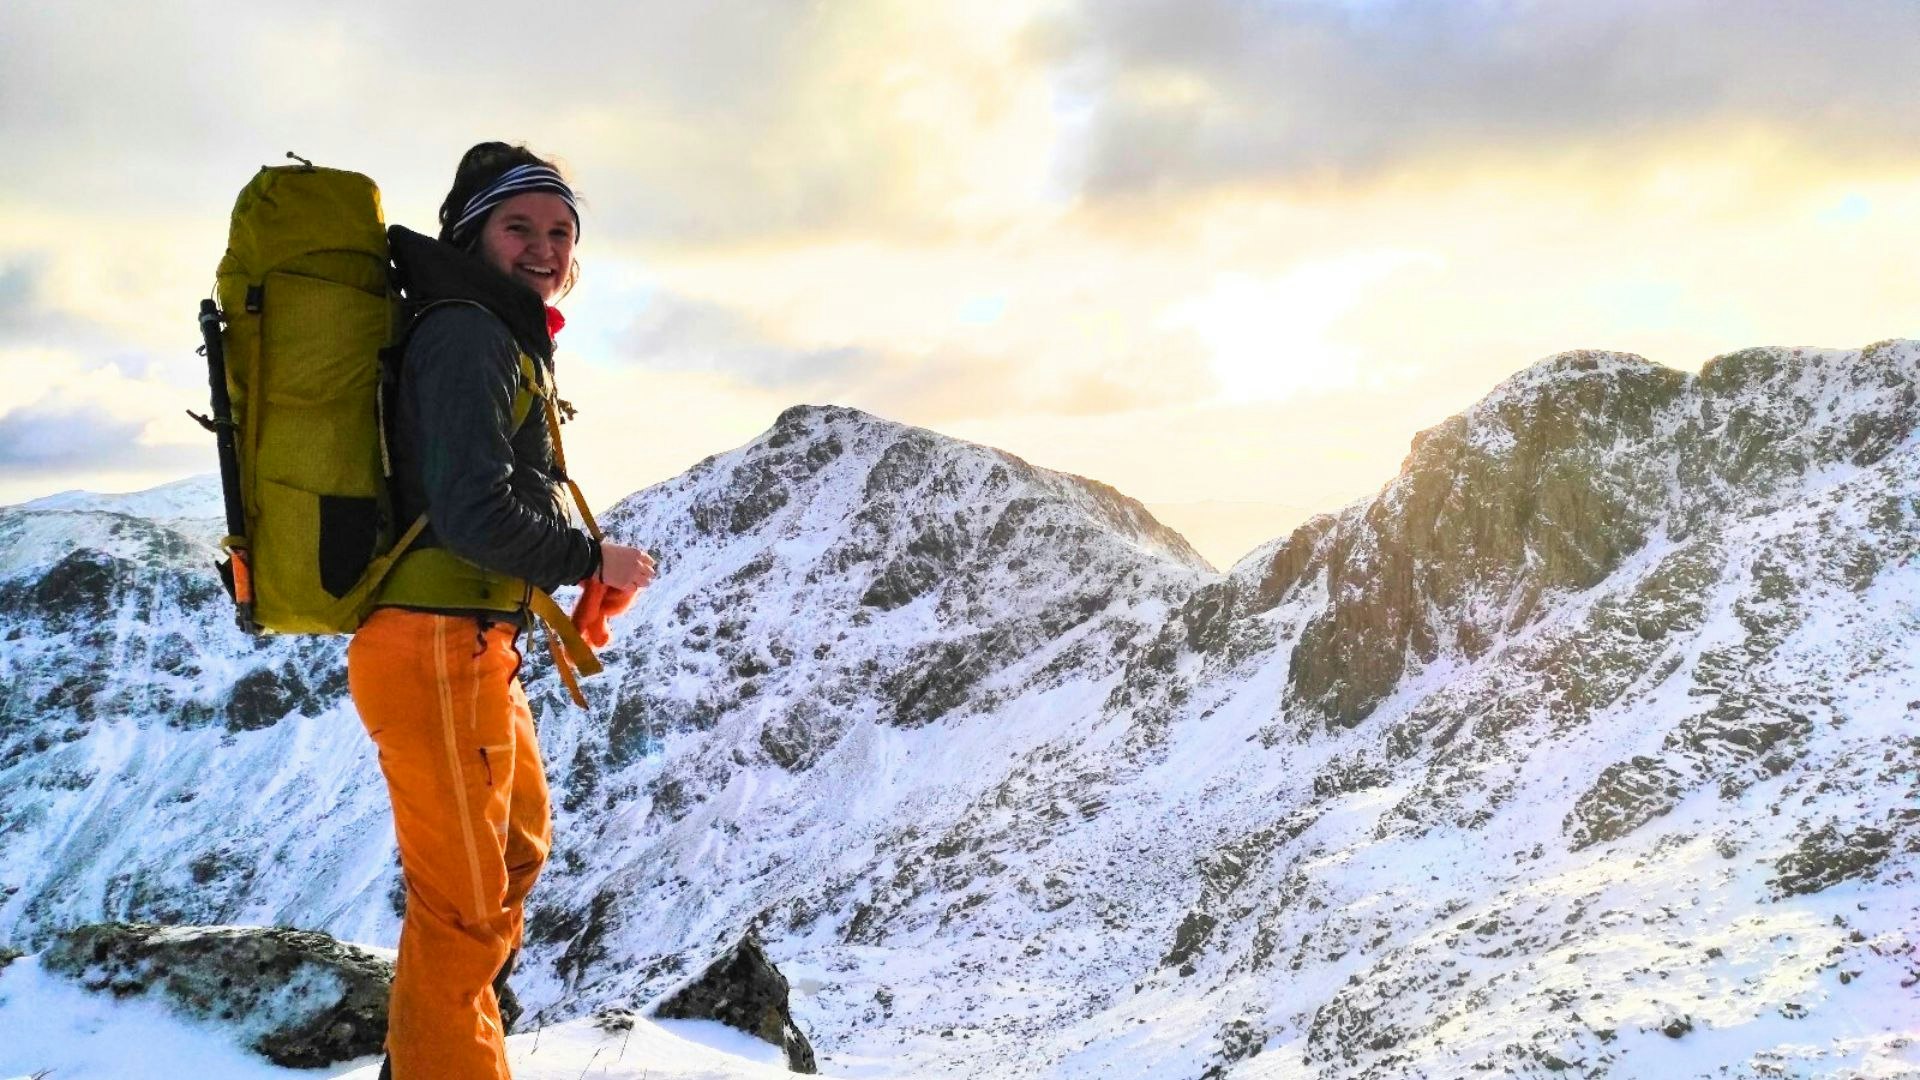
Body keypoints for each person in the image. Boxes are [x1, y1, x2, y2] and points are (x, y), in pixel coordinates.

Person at [346, 141, 655, 1079]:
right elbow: (475, 512)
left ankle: (434, 1052)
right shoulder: (468, 334)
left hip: (479, 647)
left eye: (560, 231)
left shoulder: (498, 332)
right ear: (471, 234)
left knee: (515, 852)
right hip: (434, 647)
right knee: (466, 903)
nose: (544, 247)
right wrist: (586, 556)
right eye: (519, 227)